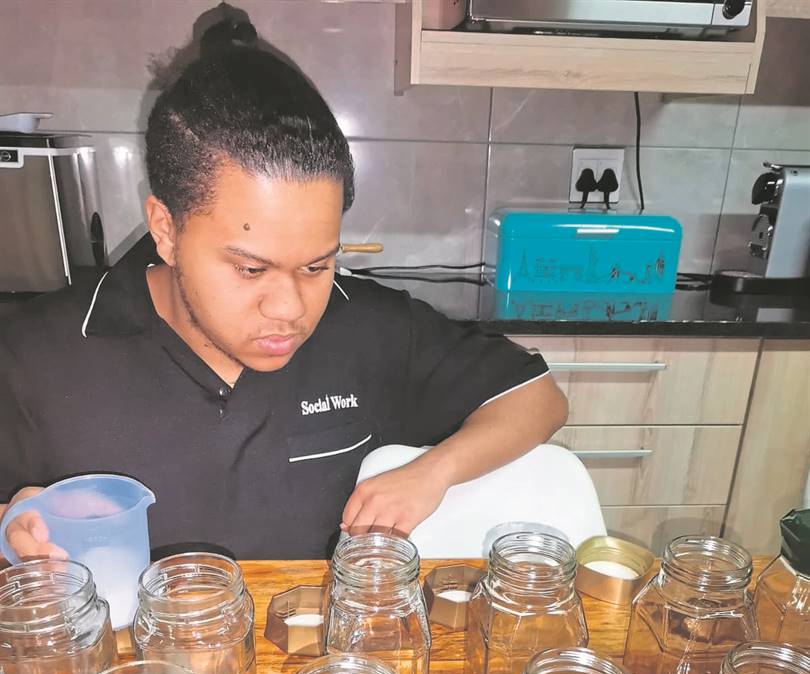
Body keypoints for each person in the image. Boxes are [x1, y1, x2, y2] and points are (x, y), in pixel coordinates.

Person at [0, 12, 567, 562]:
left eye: (316, 266)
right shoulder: (37, 357)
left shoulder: (370, 329)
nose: (290, 308)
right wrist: (10, 523)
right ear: (166, 230)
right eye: (251, 269)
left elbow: (538, 398)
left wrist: (434, 471)